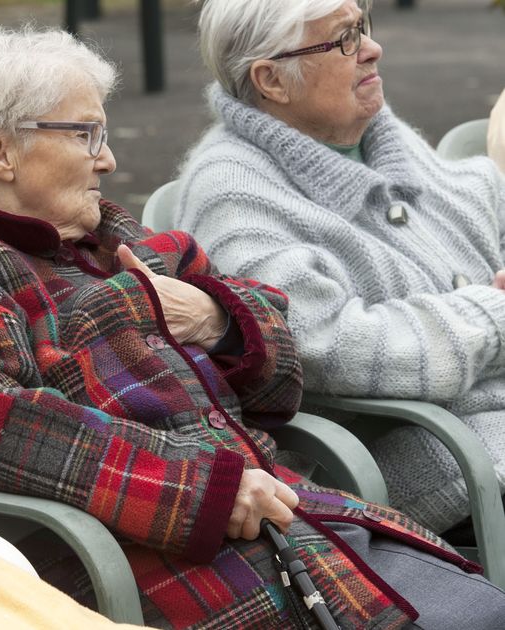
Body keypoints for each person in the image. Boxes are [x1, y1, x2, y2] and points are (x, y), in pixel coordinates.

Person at [0, 26, 505, 628]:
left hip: (279, 523)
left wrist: (221, 321)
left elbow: (281, 366)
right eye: (85, 134)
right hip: (128, 556)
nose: (108, 159)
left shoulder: (106, 237)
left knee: (480, 606)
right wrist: (204, 492)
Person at [175, 0, 505, 539]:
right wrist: (489, 318)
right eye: (344, 39)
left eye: (363, 26)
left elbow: (477, 202)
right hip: (420, 459)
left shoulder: (372, 134)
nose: (372, 49)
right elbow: (327, 347)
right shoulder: (234, 197)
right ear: (272, 80)